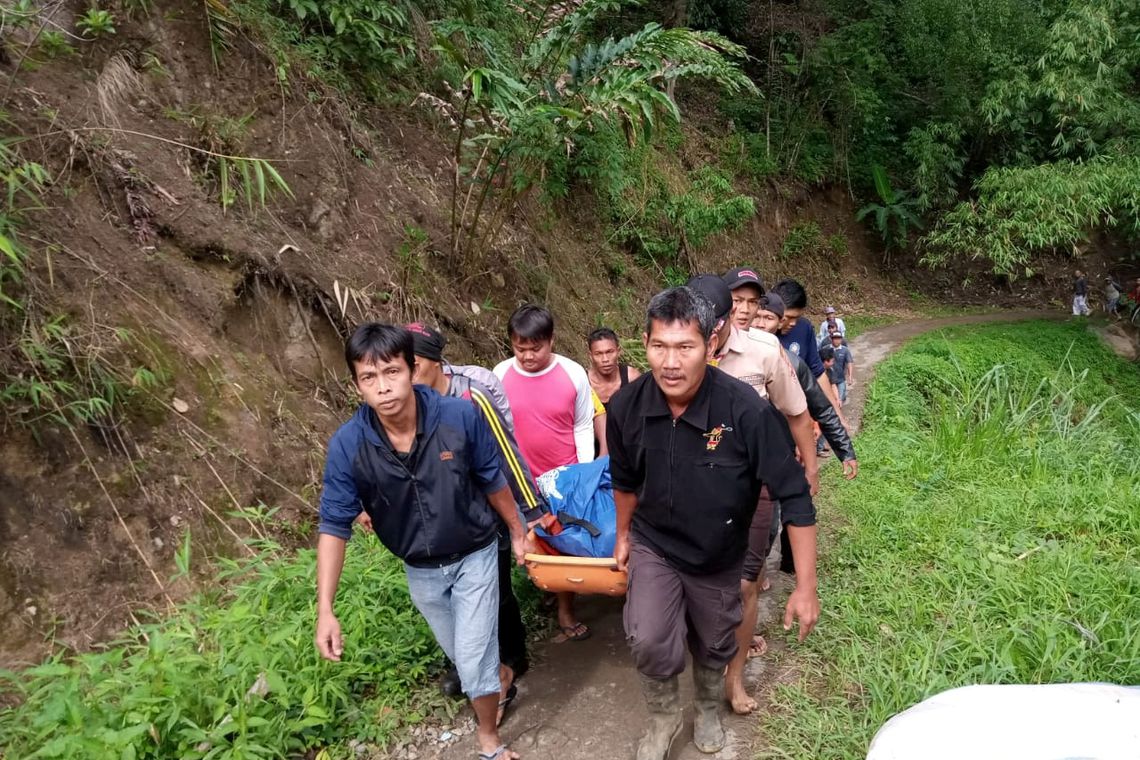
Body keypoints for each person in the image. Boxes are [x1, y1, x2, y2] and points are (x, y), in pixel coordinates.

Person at [607, 286, 820, 760]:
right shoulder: (627, 408)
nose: (670, 362)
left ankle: (706, 706)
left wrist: (806, 585)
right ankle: (663, 720)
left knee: (715, 638)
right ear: (644, 343)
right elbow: (623, 481)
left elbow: (796, 496)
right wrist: (623, 535)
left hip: (721, 551)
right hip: (655, 543)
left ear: (711, 344)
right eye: (659, 346)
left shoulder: (746, 411)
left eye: (686, 347)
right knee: (648, 636)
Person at [315, 323, 528, 760]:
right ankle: (500, 673)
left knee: (470, 661)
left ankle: (488, 737)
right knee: (471, 657)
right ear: (356, 385)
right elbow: (334, 525)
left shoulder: (459, 417)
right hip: (420, 569)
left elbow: (493, 478)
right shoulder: (349, 445)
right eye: (368, 378)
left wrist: (519, 531)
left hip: (476, 553)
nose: (383, 387)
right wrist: (326, 610)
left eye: (392, 372)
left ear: (413, 369)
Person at [688, 272, 818, 716]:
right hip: (697, 490)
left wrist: (808, 471)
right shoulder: (679, 351)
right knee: (701, 582)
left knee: (745, 584)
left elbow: (798, 413)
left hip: (755, 488)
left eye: (717, 323)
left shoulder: (763, 351)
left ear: (729, 319)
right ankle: (706, 657)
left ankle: (735, 676)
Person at [402, 322, 545, 702]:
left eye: (413, 362)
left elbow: (506, 452)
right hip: (440, 518)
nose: (406, 371)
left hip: (488, 511)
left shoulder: (471, 396)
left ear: (436, 362)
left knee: (494, 592)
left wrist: (530, 511)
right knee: (448, 598)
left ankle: (511, 655)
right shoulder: (405, 405)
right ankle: (471, 663)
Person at [494, 304, 594, 642]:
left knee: (561, 543)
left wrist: (581, 476)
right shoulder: (500, 375)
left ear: (550, 340)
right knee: (529, 543)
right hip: (519, 483)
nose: (526, 356)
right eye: (519, 348)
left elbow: (582, 425)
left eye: (534, 348)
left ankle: (566, 608)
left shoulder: (573, 373)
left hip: (562, 479)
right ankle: (547, 589)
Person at [755, 293, 858, 481]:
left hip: (780, 451)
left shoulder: (790, 362)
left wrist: (845, 450)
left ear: (779, 323)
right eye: (756, 317)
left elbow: (821, 405)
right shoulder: (722, 357)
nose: (760, 324)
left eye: (768, 318)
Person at [770, 278, 838, 405]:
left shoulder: (804, 328)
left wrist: (837, 414)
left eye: (797, 318)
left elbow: (817, 371)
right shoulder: (759, 331)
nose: (793, 323)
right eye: (788, 317)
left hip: (799, 407)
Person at [586, 327, 641, 408]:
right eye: (598, 354)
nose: (605, 359)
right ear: (590, 356)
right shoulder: (583, 381)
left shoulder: (632, 378)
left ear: (618, 351)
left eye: (610, 352)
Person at [723, 266, 764, 331]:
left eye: (753, 302)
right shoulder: (705, 339)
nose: (745, 310)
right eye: (737, 301)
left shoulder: (767, 340)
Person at [827, 331, 855, 403]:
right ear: (831, 339)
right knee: (831, 399)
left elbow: (849, 362)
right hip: (829, 379)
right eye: (835, 338)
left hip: (840, 378)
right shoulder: (826, 349)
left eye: (838, 338)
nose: (837, 340)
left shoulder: (845, 350)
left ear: (841, 339)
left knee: (840, 398)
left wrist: (850, 376)